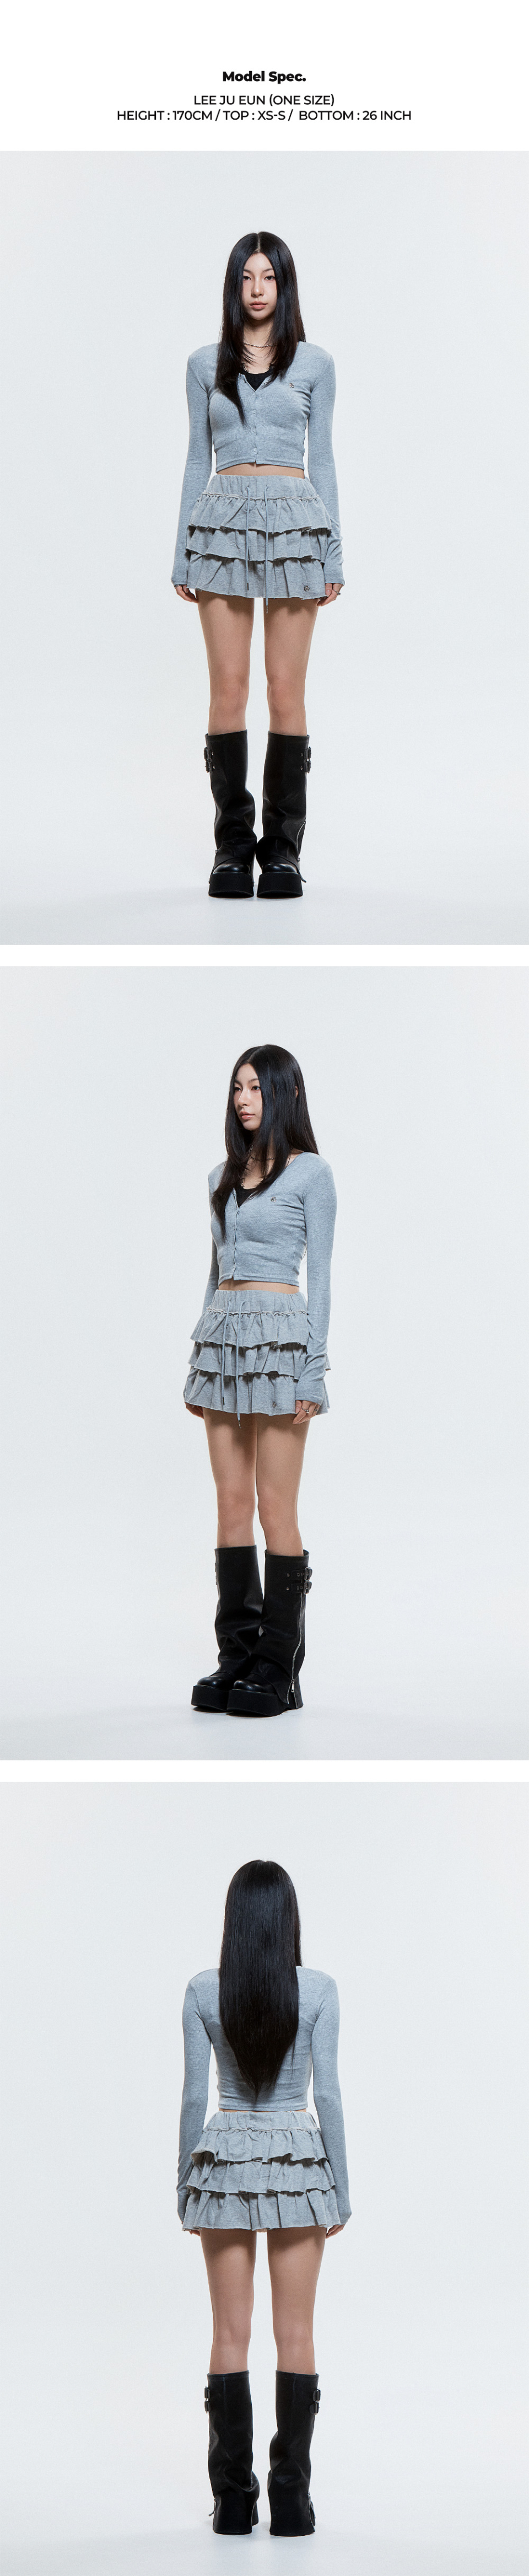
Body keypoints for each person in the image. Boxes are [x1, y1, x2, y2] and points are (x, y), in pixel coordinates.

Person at [178, 1859, 350, 2535]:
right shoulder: (320, 1990)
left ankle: (232, 2501)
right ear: (288, 1920)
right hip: (300, 2164)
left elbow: (195, 2096)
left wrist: (185, 2184)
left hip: (223, 2159)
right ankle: (291, 2501)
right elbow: (327, 2093)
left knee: (229, 2332)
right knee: (297, 2331)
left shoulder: (202, 1989)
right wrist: (341, 2190)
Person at [172, 230, 343, 899]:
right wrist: (182, 549)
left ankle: (282, 851)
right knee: (229, 686)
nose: (257, 288)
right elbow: (198, 457)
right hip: (221, 528)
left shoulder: (315, 364)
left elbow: (322, 458)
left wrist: (334, 550)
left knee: (285, 688)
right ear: (234, 285)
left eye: (268, 276)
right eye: (247, 276)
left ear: (284, 285)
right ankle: (232, 846)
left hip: (296, 526)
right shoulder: (203, 363)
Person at [184, 1045, 337, 1716]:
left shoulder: (312, 1174)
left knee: (276, 1506)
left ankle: (279, 1666)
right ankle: (238, 1655)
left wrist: (314, 1368)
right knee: (229, 1503)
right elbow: (216, 1269)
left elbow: (321, 1279)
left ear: (286, 1094)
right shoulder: (220, 1176)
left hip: (281, 1346)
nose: (244, 1099)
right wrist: (199, 1357)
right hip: (222, 1342)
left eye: (256, 1087)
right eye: (237, 1087)